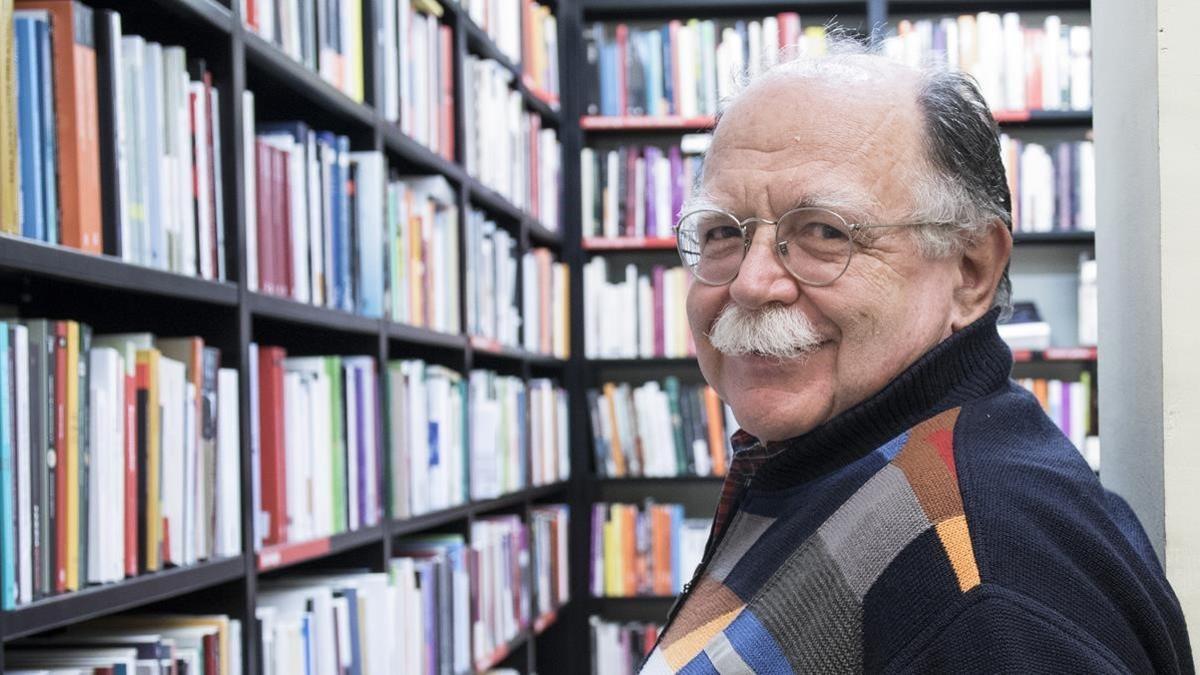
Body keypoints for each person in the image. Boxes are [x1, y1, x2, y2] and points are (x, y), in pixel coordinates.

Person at [638, 41, 1194, 674]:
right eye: (719, 233)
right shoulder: (849, 465)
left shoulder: (986, 576)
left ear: (970, 270)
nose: (750, 283)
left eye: (825, 231)